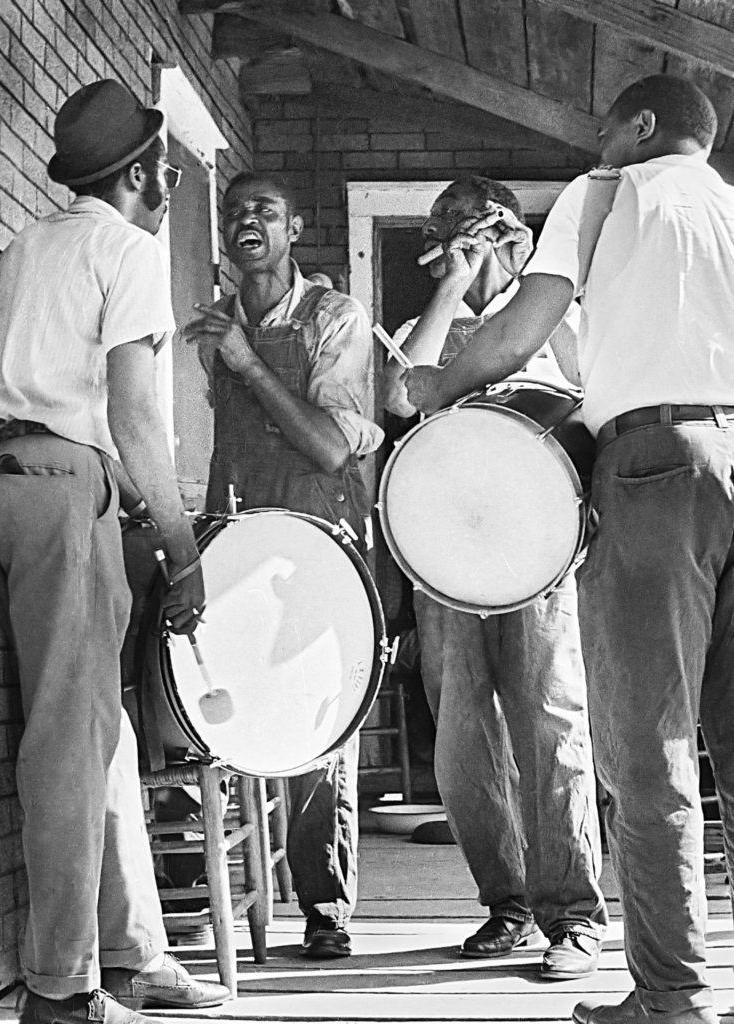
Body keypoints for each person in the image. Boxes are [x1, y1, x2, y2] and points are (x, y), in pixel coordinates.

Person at [403, 75, 731, 1024]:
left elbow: (514, 334)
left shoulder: (601, 194)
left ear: (639, 126)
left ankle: (670, 996)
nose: (597, 142)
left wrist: (436, 385)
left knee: (649, 749)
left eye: (604, 127)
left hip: (654, 467)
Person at [0, 80, 231, 1024]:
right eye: (162, 169)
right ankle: (63, 994)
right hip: (63, 488)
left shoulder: (28, 245)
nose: (168, 186)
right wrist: (182, 544)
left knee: (84, 727)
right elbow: (134, 414)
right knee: (72, 743)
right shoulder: (128, 250)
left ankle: (125, 954)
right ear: (137, 175)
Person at [383, 176, 607, 979]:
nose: (468, 248)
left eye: (480, 233)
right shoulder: (422, 328)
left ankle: (573, 916)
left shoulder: (554, 319)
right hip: (445, 563)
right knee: (463, 738)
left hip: (539, 556)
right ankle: (506, 905)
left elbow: (595, 411)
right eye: (450, 234)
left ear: (512, 236)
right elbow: (397, 398)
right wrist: (447, 289)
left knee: (551, 725)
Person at [181, 171, 383, 959]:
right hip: (236, 527)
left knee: (315, 716)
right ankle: (227, 894)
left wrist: (247, 364)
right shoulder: (210, 326)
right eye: (232, 213)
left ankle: (324, 907)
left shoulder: (333, 316)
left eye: (262, 209)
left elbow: (332, 443)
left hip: (317, 533)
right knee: (231, 701)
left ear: (294, 227)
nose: (244, 221)